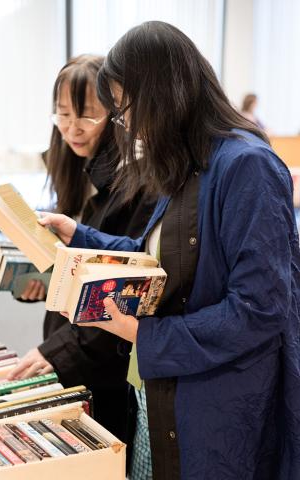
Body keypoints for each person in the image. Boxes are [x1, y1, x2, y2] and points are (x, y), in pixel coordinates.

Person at [37, 22, 300, 480]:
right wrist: (80, 236)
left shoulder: (246, 166)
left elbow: (259, 310)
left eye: (125, 110)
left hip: (224, 410)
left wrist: (146, 336)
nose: (127, 125)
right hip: (168, 398)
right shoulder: (187, 164)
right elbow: (151, 256)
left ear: (163, 93)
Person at [7, 54, 157, 445]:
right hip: (70, 357)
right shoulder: (72, 171)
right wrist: (40, 280)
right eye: (61, 115)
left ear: (117, 115)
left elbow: (120, 294)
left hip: (104, 370)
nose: (71, 129)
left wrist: (57, 353)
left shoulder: (140, 187)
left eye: (86, 116)